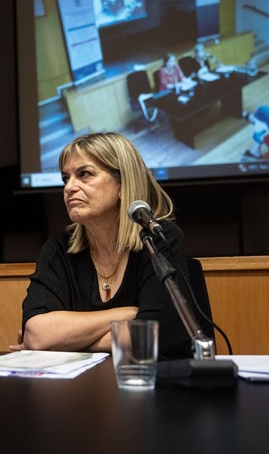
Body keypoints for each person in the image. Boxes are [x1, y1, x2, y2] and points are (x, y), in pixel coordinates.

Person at [11, 132, 195, 360]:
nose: (69, 187)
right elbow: (37, 334)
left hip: (151, 385)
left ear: (122, 184)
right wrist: (126, 315)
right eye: (65, 178)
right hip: (79, 389)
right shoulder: (59, 248)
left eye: (84, 174)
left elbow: (154, 335)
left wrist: (68, 341)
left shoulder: (159, 239)